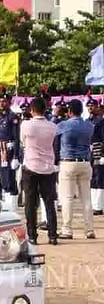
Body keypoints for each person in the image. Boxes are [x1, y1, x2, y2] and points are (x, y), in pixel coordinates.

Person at [20, 96, 58, 245]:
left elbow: (23, 141)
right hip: (48, 167)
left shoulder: (26, 125)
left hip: (31, 166)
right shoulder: (53, 126)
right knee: (49, 203)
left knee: (30, 203)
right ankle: (53, 235)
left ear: (31, 110)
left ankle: (32, 235)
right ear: (45, 109)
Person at [55, 98, 95, 240]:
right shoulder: (89, 126)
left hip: (68, 162)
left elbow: (54, 132)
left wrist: (57, 115)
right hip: (85, 162)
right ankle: (89, 229)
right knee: (86, 198)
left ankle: (67, 229)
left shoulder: (64, 125)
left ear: (69, 111)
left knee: (67, 198)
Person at [0, 89, 21, 208]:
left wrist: (15, 156)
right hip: (1, 151)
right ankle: (6, 202)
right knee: (3, 177)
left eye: (4, 101)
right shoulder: (0, 117)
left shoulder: (12, 117)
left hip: (9, 151)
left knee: (10, 178)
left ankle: (12, 205)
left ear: (9, 102)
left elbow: (16, 137)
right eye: (0, 101)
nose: (2, 104)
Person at [86, 96, 104, 216]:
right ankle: (95, 204)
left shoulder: (100, 122)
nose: (91, 108)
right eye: (89, 105)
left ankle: (98, 205)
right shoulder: (88, 121)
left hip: (99, 153)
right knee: (93, 179)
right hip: (92, 153)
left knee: (100, 179)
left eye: (93, 105)